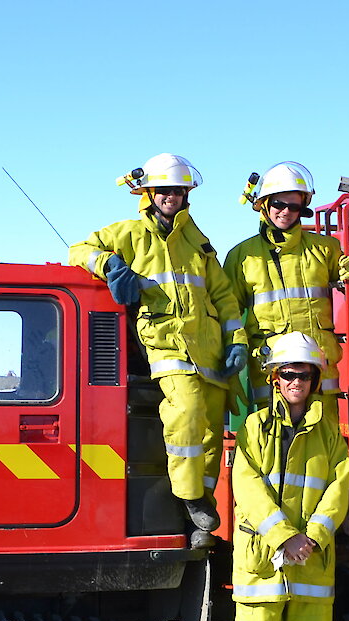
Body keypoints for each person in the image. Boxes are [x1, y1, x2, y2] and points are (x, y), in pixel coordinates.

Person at [69, 153, 247, 549]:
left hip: (211, 353)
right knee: (185, 415)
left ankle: (199, 515)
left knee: (211, 433)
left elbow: (223, 297)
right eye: (164, 189)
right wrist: (111, 265)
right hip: (168, 347)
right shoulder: (129, 233)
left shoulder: (196, 240)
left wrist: (236, 342)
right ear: (148, 193)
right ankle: (190, 498)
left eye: (179, 190)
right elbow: (79, 250)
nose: (172, 196)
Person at [228, 333, 349, 621]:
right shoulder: (253, 428)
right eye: (289, 373)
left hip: (311, 559)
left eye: (305, 374)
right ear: (275, 379)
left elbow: (338, 490)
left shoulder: (330, 434)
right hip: (263, 559)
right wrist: (286, 536)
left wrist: (311, 538)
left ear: (316, 380)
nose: (297, 380)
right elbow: (246, 487)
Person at [224, 161, 349, 413]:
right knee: (273, 446)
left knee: (323, 446)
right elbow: (227, 312)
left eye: (294, 206)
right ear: (264, 204)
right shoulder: (241, 256)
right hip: (271, 371)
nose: (286, 211)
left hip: (320, 372)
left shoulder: (326, 248)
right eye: (279, 204)